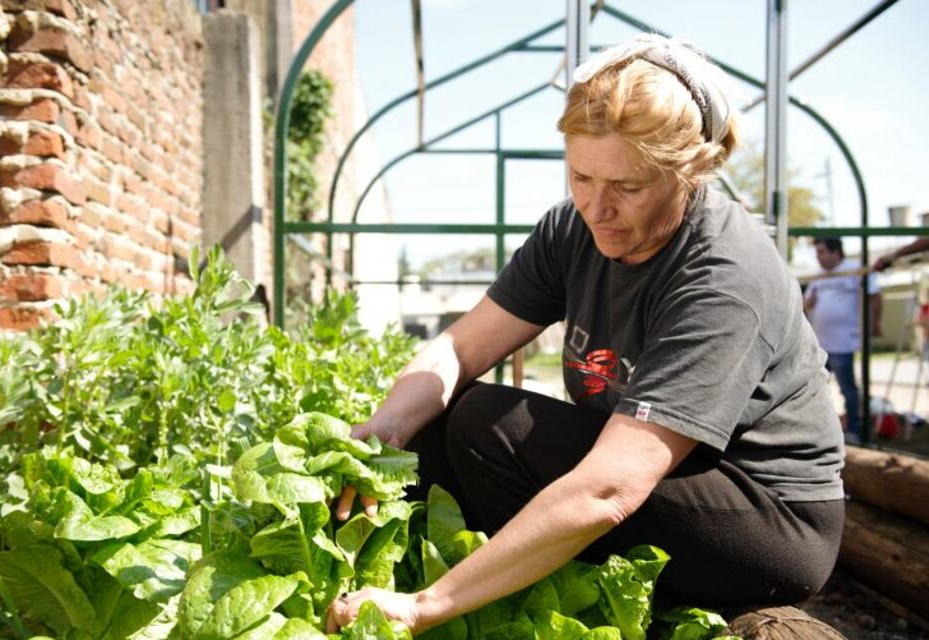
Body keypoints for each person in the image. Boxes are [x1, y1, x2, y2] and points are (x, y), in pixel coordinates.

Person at [327, 34, 845, 635]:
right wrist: (385, 429)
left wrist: (426, 606)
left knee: (490, 423)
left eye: (628, 187)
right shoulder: (572, 231)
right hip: (656, 480)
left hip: (764, 519)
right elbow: (460, 348)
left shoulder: (722, 276)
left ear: (691, 172)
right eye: (580, 177)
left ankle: (474, 596)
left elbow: (610, 489)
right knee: (439, 426)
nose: (597, 207)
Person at [803, 237, 882, 443]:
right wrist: (808, 303)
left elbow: (875, 295)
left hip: (844, 341)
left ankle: (854, 429)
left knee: (847, 387)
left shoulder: (854, 269)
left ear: (835, 252)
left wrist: (874, 323)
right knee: (814, 387)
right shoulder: (819, 276)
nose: (818, 257)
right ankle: (818, 428)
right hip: (819, 342)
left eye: (821, 252)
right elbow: (807, 303)